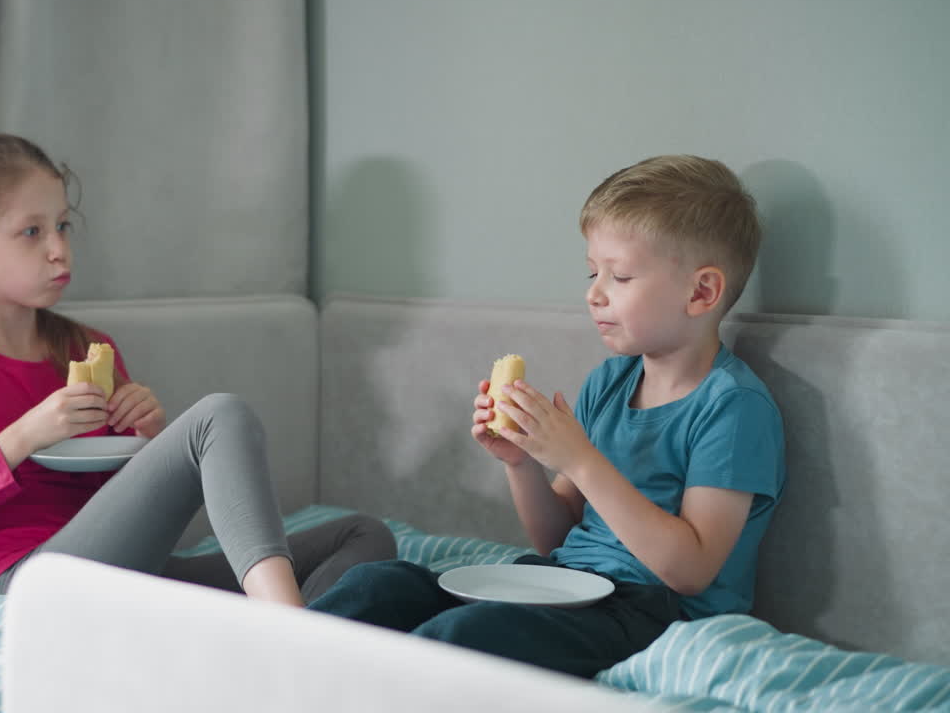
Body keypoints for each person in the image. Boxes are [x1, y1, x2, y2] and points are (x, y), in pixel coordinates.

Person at [0, 133, 395, 605]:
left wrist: (151, 439)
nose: (59, 249)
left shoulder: (88, 347)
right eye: (32, 232)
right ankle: (289, 633)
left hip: (131, 575)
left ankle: (277, 638)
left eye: (64, 226)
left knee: (365, 537)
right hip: (31, 583)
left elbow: (124, 508)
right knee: (219, 416)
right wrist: (24, 434)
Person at [309, 155, 785, 677]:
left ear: (701, 292)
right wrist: (522, 463)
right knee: (376, 586)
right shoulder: (610, 382)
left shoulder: (733, 407)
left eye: (620, 276)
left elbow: (691, 570)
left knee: (459, 640)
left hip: (652, 611)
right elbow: (556, 542)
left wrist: (580, 461)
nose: (593, 292)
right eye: (592, 271)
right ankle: (275, 677)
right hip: (562, 583)